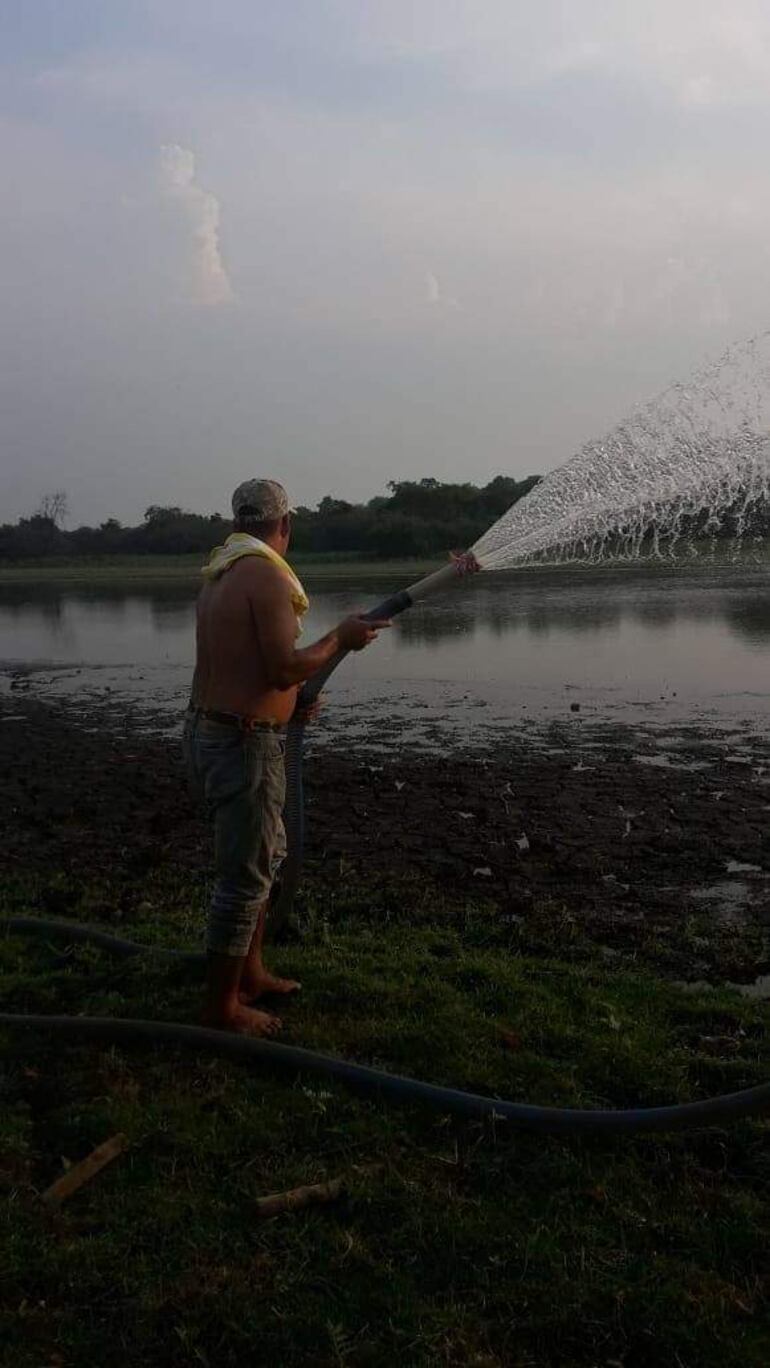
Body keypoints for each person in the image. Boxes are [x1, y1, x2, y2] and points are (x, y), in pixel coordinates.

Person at [184, 478, 389, 1036]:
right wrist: (339, 640)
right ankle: (221, 1009)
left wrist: (290, 706)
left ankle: (250, 972)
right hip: (242, 743)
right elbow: (281, 666)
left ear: (236, 522)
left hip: (218, 730)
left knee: (266, 857)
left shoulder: (221, 572)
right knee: (246, 878)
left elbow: (244, 668)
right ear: (286, 525)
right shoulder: (267, 574)